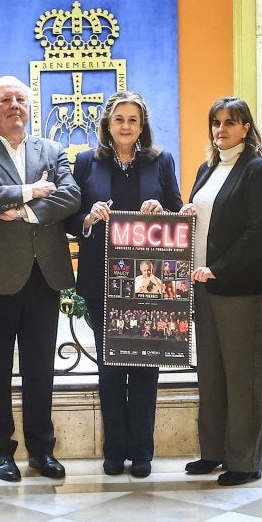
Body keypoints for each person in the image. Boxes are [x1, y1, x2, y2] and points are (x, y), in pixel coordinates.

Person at [0, 76, 81, 481]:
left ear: (30, 107)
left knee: (40, 368)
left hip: (43, 275)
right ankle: (1, 451)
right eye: (5, 100)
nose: (15, 105)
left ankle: (42, 450)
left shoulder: (53, 149)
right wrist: (31, 190)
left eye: (21, 99)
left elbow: (71, 195)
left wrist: (23, 209)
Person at [69, 91, 182, 476]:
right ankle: (114, 450)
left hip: (148, 283)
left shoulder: (161, 160)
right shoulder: (86, 162)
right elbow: (71, 218)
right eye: (119, 119)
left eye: (133, 120)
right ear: (107, 123)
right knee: (111, 366)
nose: (126, 126)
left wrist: (162, 212)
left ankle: (143, 452)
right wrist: (89, 218)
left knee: (146, 367)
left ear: (142, 125)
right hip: (102, 279)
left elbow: (178, 211)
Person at [180, 97, 262, 486]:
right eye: (216, 122)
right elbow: (207, 218)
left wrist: (217, 269)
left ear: (246, 127)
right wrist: (187, 212)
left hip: (237, 287)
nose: (221, 129)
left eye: (230, 122)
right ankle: (214, 452)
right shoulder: (208, 169)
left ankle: (245, 461)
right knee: (211, 374)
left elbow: (257, 233)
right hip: (202, 286)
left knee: (243, 377)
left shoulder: (258, 171)